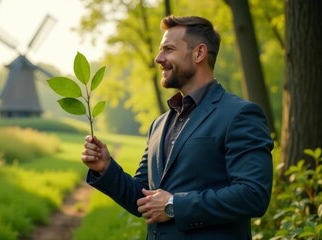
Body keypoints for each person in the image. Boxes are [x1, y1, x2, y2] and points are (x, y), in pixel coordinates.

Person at [81, 15, 273, 240]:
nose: (158, 58)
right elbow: (143, 200)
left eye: (168, 49)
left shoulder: (239, 114)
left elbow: (253, 195)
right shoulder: (158, 125)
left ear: (199, 53)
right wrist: (105, 167)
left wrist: (173, 205)